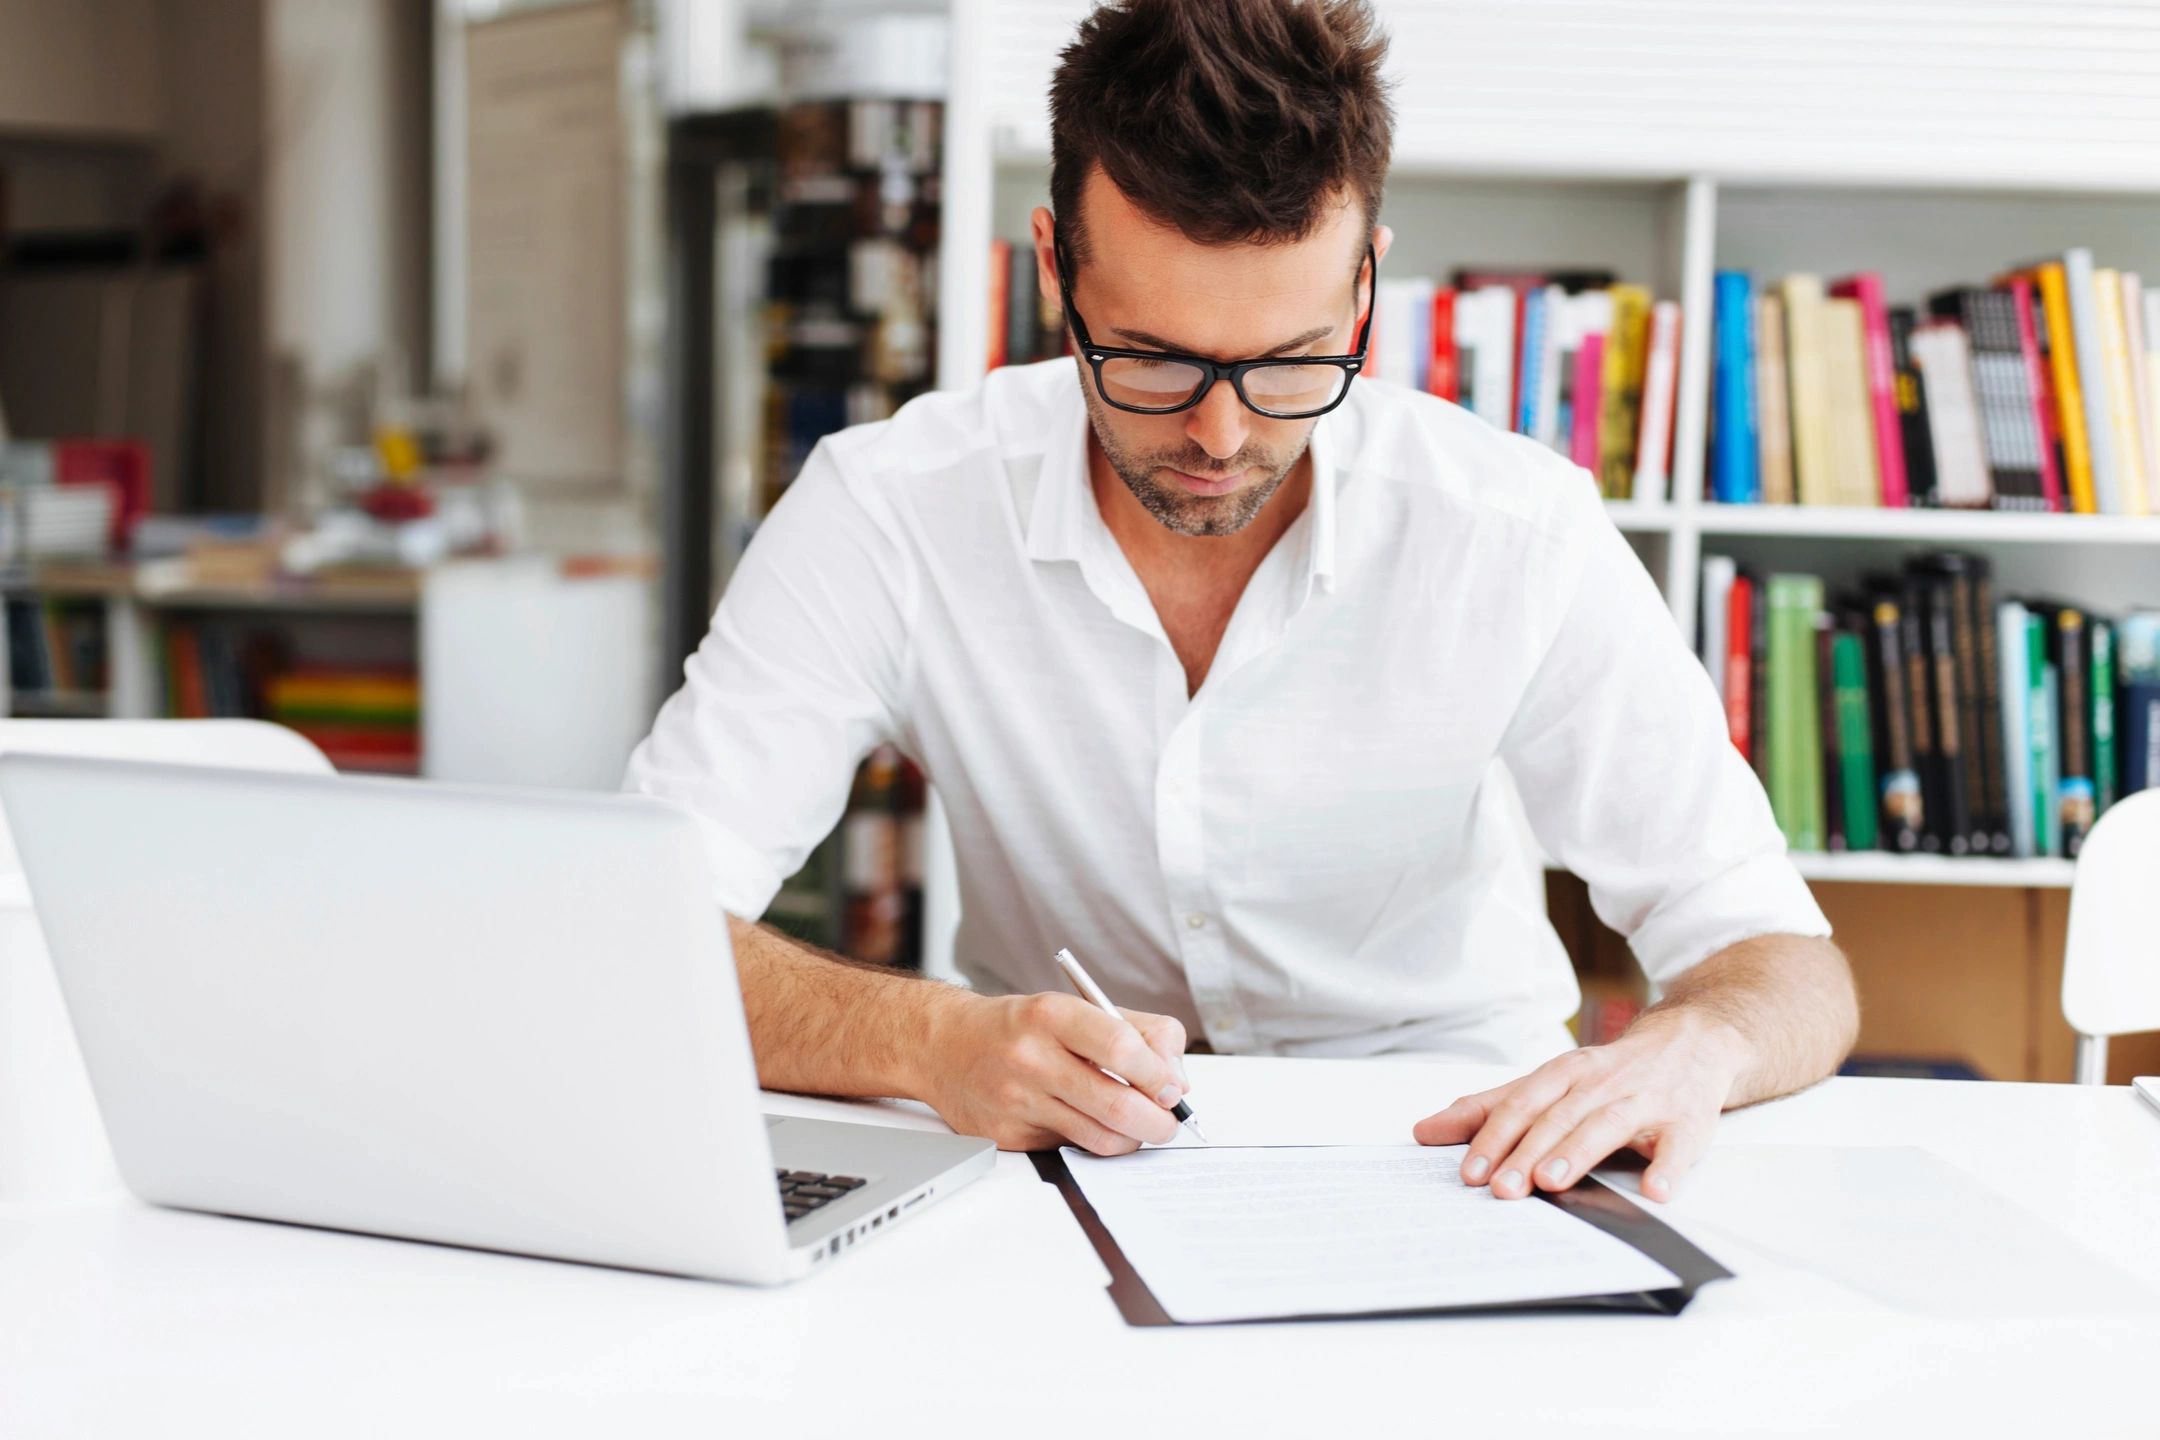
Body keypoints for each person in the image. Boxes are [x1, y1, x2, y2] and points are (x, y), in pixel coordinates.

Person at [625, 0, 1857, 1202]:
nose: (1222, 434)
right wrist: (928, 1043)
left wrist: (1696, 1048)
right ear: (1057, 269)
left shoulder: (1513, 530)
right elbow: (641, 919)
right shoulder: (891, 508)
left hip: (1458, 1166)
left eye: (1287, 360)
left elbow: (1783, 960)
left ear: (1367, 286)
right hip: (1058, 1169)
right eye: (1153, 358)